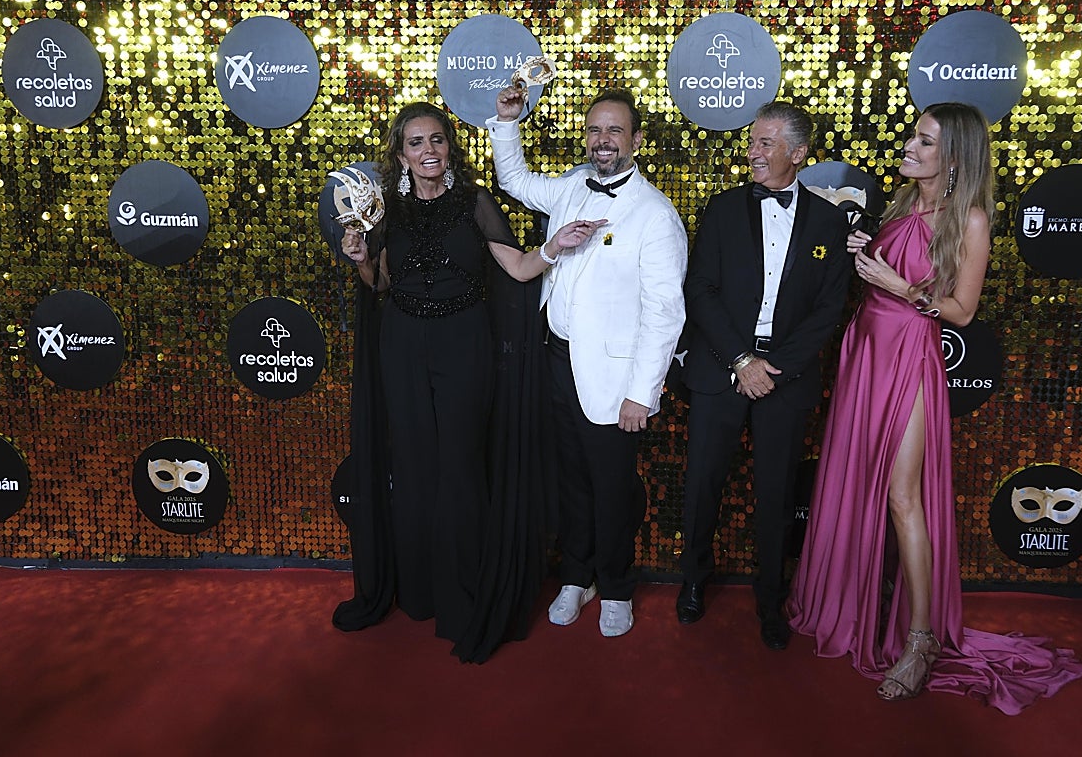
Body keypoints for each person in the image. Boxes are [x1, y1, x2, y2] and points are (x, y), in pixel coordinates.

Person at [787, 102, 1082, 712]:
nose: (910, 146)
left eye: (924, 141)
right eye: (913, 135)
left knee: (901, 495)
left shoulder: (969, 219)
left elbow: (963, 312)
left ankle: (919, 641)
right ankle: (851, 604)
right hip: (864, 351)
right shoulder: (900, 205)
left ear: (954, 157)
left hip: (908, 359)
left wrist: (897, 286)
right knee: (854, 481)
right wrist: (860, 251)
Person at [333, 101, 604, 662]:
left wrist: (557, 246)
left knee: (458, 465)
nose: (428, 151)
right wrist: (360, 255)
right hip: (403, 346)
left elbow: (521, 268)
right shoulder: (386, 211)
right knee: (413, 466)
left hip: (464, 345)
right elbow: (380, 283)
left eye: (436, 140)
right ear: (400, 153)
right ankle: (421, 590)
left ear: (449, 146)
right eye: (416, 143)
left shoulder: (474, 202)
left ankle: (463, 595)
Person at [486, 87, 687, 638]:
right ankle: (577, 576)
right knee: (571, 480)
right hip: (555, 360)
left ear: (636, 141)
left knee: (611, 486)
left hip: (614, 377)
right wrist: (507, 122)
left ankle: (616, 584)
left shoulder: (655, 214)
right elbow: (516, 182)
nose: (603, 140)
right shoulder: (572, 186)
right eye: (596, 129)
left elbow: (665, 313)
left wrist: (641, 393)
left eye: (615, 130)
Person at [677, 101, 852, 649]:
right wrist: (741, 361)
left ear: (798, 154)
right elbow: (699, 289)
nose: (753, 151)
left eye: (766, 143)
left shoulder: (829, 221)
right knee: (703, 484)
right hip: (723, 368)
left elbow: (831, 308)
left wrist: (778, 367)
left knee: (776, 495)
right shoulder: (722, 208)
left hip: (786, 377)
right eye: (753, 141)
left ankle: (770, 601)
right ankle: (692, 583)